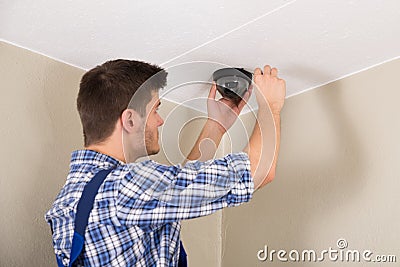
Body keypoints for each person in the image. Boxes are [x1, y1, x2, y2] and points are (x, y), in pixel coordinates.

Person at [45, 59, 286, 266]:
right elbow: (258, 171)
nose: (160, 121)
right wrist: (270, 107)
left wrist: (215, 126)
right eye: (155, 110)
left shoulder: (73, 198)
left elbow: (176, 193)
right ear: (129, 120)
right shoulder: (128, 185)